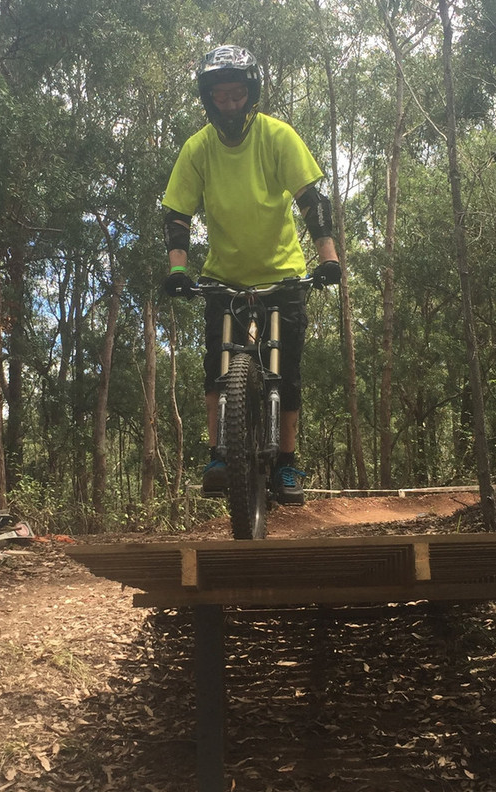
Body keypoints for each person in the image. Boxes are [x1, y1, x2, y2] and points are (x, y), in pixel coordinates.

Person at [160, 44, 341, 506]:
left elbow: (310, 200)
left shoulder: (277, 136)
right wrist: (178, 270)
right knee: (216, 368)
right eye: (220, 96)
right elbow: (178, 214)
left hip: (284, 274)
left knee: (287, 372)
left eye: (237, 94)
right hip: (223, 277)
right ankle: (217, 455)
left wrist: (328, 258)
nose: (229, 104)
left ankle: (286, 462)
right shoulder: (198, 149)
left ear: (251, 94)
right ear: (208, 98)